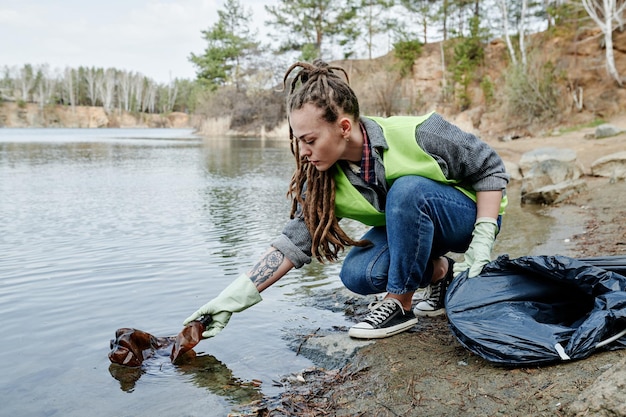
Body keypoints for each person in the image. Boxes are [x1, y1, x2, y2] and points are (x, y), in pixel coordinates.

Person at [183, 59, 509, 340]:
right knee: (358, 273)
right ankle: (440, 271)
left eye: (310, 140)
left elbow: (490, 166)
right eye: (300, 142)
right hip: (417, 232)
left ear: (343, 127)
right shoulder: (324, 178)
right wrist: (230, 300)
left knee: (407, 190)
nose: (304, 152)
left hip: (466, 220)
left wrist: (482, 240)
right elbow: (292, 243)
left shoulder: (419, 132)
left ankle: (400, 305)